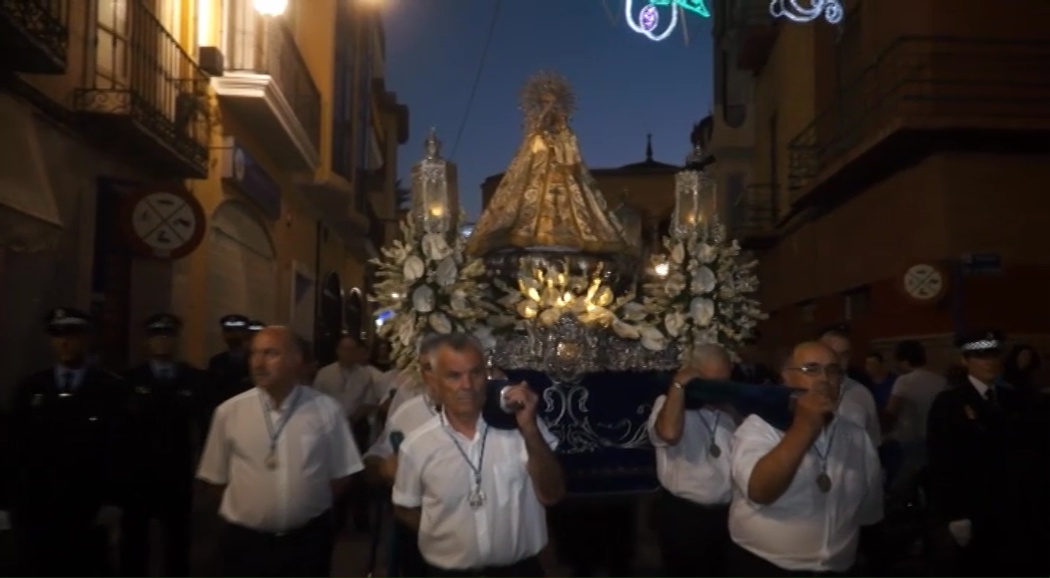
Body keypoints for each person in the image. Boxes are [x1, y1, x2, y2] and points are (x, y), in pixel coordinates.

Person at [392, 333, 565, 577]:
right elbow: (405, 507)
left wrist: (528, 428)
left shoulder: (520, 428)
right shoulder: (418, 445)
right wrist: (446, 536)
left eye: (475, 373)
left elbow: (553, 494)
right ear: (433, 381)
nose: (467, 385)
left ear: (487, 374)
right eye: (454, 375)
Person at [197, 326, 363, 578]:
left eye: (270, 353)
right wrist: (255, 509)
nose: (259, 363)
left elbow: (342, 473)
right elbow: (215, 479)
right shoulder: (230, 413)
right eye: (254, 354)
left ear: (296, 360)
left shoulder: (326, 410)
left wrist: (304, 503)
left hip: (307, 543)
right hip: (246, 544)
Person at [727, 341, 882, 577]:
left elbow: (869, 508)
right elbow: (759, 490)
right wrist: (805, 425)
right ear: (787, 378)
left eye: (833, 370)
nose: (824, 379)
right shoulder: (760, 428)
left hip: (839, 568)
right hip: (765, 566)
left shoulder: (855, 436)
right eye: (811, 369)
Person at [9, 308, 127, 578]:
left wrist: (113, 501)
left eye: (72, 334)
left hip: (87, 507)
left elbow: (119, 449)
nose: (65, 342)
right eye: (58, 334)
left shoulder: (110, 389)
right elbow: (14, 448)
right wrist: (6, 502)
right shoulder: (31, 388)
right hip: (37, 507)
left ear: (86, 338)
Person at [466, 73, 634, 256]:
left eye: (553, 104)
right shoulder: (534, 134)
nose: (550, 108)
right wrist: (542, 135)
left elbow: (572, 155)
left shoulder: (566, 133)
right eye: (545, 103)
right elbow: (531, 154)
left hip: (564, 177)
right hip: (537, 179)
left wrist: (561, 145)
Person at [925, 330, 1049, 578]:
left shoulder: (1015, 398)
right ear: (965, 360)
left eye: (993, 355)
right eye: (981, 356)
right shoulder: (950, 402)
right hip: (976, 509)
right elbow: (942, 460)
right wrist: (954, 514)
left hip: (1018, 508)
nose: (989, 362)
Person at [120, 313, 206, 578]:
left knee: (177, 540)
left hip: (176, 471)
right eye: (156, 335)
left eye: (167, 335)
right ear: (147, 341)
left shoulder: (192, 379)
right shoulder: (131, 380)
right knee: (135, 539)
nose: (162, 341)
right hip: (139, 474)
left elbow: (202, 425)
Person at [648, 344, 737, 578]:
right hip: (685, 517)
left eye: (723, 381)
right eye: (711, 382)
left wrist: (732, 406)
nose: (717, 389)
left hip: (730, 514)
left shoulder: (729, 407)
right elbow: (668, 433)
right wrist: (678, 387)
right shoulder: (668, 404)